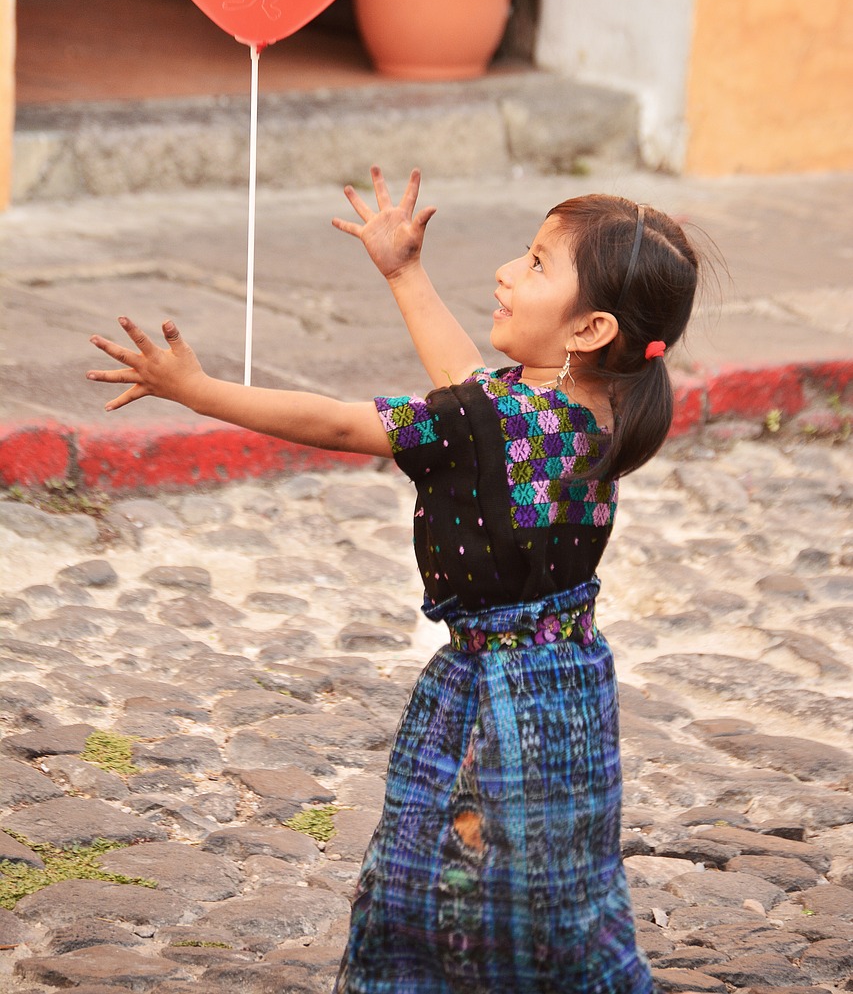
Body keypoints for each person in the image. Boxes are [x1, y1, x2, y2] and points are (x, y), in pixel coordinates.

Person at [87, 166, 700, 993]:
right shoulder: (599, 416)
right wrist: (403, 271)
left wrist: (197, 392)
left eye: (535, 264)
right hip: (572, 688)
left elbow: (343, 422)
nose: (506, 272)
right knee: (561, 888)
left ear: (588, 328)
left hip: (492, 696)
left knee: (446, 877)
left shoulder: (488, 422)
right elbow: (468, 396)